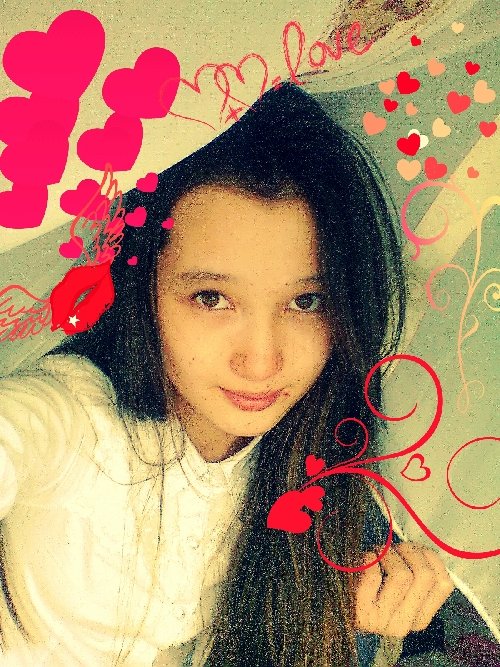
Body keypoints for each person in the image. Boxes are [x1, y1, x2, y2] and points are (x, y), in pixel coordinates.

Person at [0, 83, 459, 666]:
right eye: (211, 298)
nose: (262, 363)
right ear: (145, 288)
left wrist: (358, 621)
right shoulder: (71, 416)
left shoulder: (321, 468)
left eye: (306, 302)